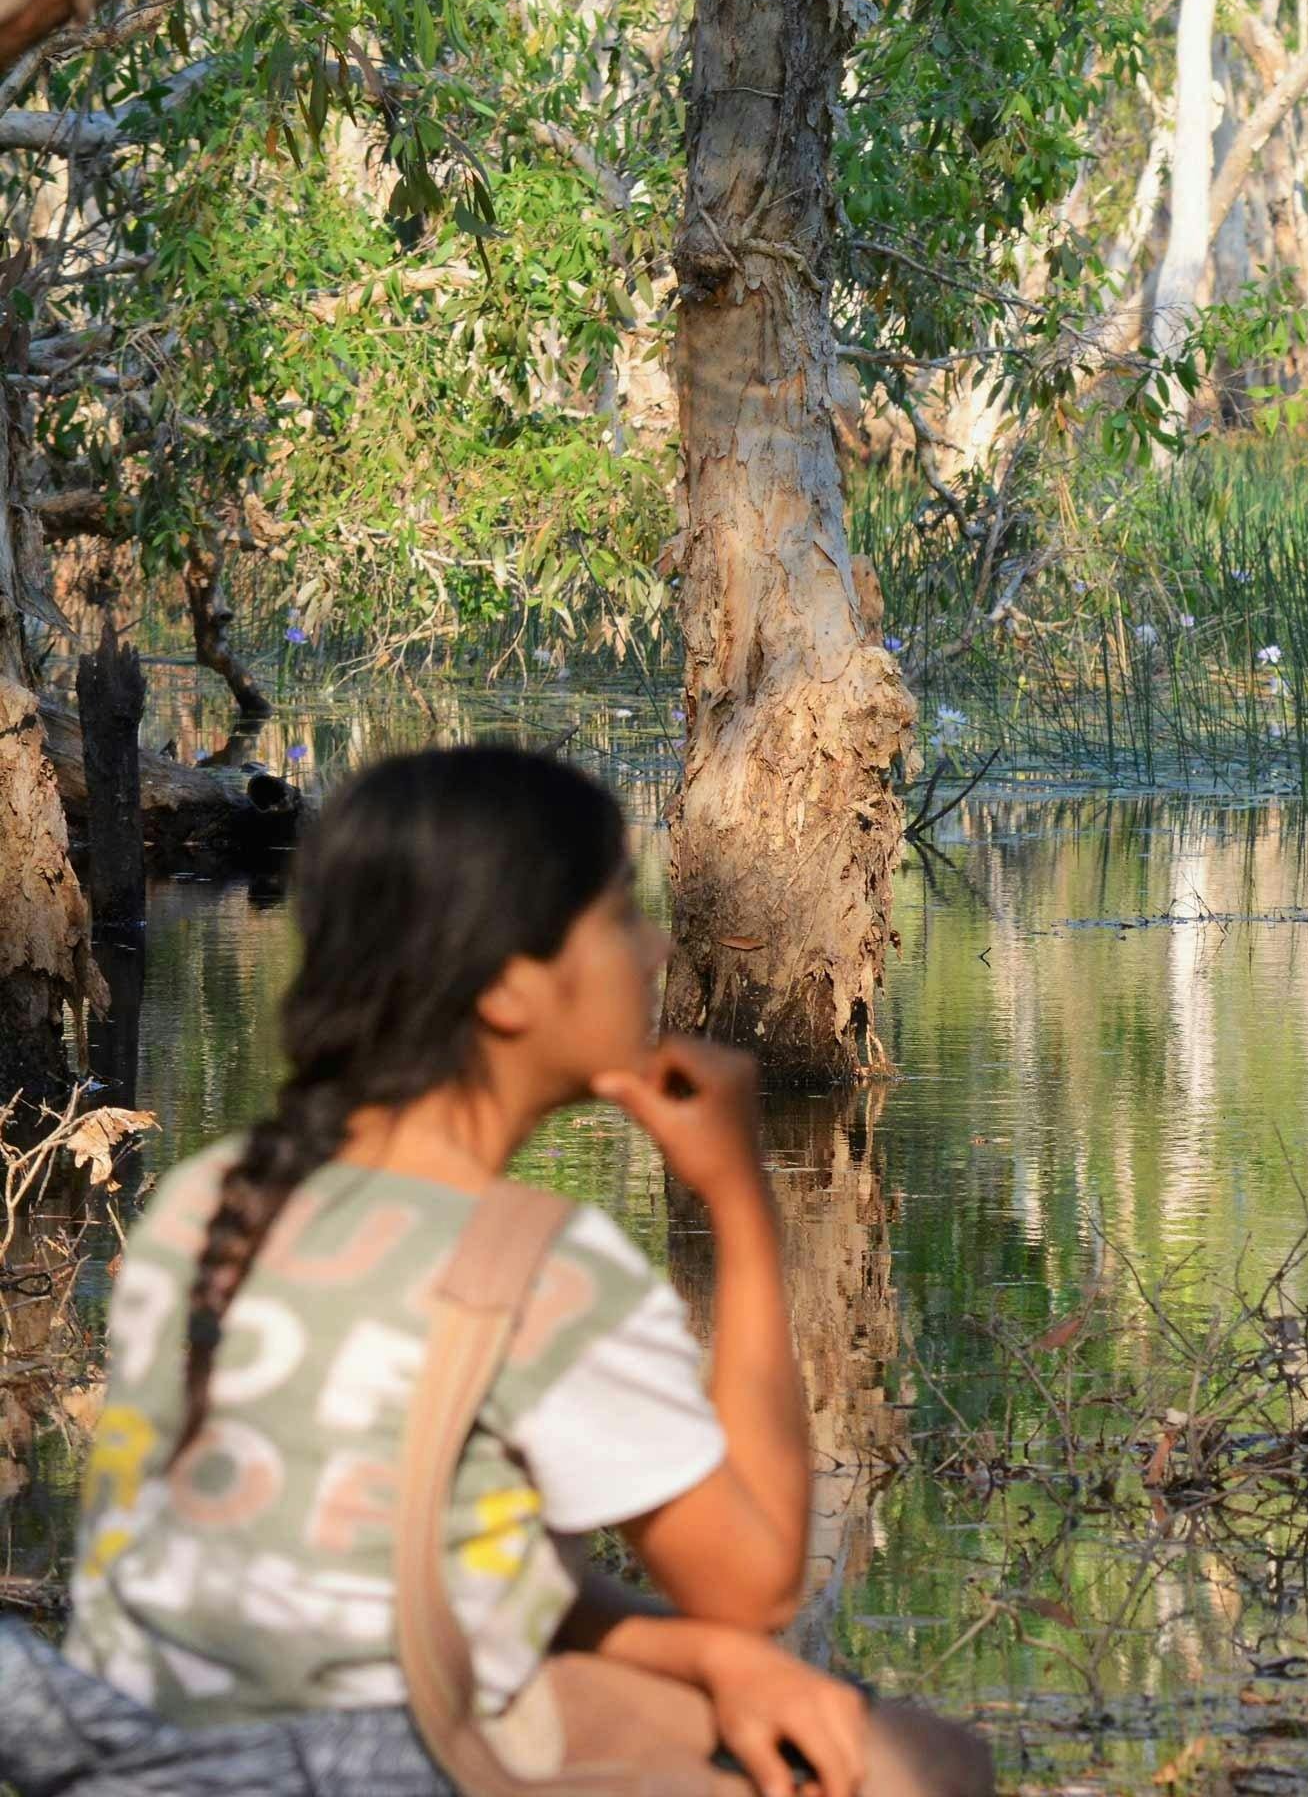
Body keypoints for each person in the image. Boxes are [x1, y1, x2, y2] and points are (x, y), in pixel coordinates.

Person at [60, 746, 988, 1797]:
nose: (653, 949)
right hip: (373, 1763)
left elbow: (448, 1573)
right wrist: (740, 1200)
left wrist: (710, 1658)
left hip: (141, 1756)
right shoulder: (541, 1266)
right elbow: (757, 1582)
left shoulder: (208, 1196)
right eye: (615, 917)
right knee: (927, 1764)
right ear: (508, 988)